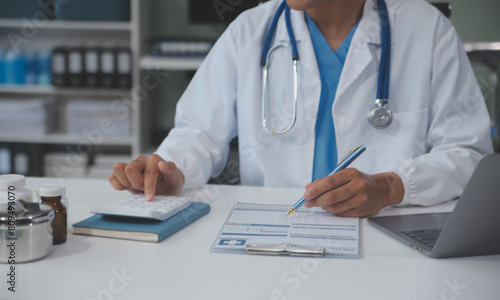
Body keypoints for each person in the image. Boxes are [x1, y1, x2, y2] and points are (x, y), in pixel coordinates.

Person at [109, 0, 493, 217]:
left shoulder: (425, 30)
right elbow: (198, 132)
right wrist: (171, 170)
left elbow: (468, 152)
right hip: (277, 232)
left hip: (388, 230)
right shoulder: (251, 31)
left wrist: (391, 186)